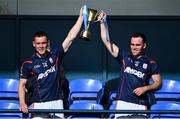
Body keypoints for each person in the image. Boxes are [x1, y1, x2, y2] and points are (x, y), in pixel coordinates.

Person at [18, 8, 84, 119]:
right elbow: (21, 85)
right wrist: (22, 103)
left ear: (47, 43)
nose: (41, 46)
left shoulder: (55, 55)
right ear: (34, 44)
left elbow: (70, 37)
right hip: (38, 104)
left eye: (43, 43)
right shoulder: (27, 63)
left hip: (56, 103)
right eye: (38, 43)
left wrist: (81, 17)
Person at [98, 12, 162, 119]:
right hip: (122, 103)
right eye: (132, 44)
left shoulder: (151, 63)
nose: (134, 47)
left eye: (138, 45)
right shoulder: (124, 56)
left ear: (144, 45)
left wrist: (146, 88)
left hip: (141, 105)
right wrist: (102, 22)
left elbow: (158, 83)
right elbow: (106, 40)